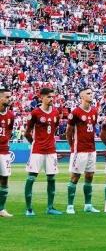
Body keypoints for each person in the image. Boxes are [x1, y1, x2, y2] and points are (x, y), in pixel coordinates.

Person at [24, 87, 62, 216]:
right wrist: (35, 143)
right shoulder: (35, 113)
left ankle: (50, 207)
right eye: (49, 97)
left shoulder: (56, 113)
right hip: (38, 150)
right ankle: (29, 209)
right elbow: (27, 133)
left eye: (52, 97)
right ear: (42, 98)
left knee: (51, 178)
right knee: (31, 178)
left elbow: (54, 130)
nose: (51, 99)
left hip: (51, 151)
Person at [65, 87, 100, 214]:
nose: (91, 95)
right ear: (82, 96)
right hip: (79, 150)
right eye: (88, 94)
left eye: (92, 93)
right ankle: (70, 206)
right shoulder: (75, 112)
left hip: (91, 149)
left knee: (89, 176)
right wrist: (72, 146)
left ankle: (88, 205)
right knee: (75, 177)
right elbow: (68, 131)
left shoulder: (94, 111)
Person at [0, 87, 15, 217]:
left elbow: (9, 131)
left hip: (4, 152)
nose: (9, 99)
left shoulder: (10, 115)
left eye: (10, 97)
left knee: (5, 179)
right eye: (7, 97)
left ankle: (1, 209)